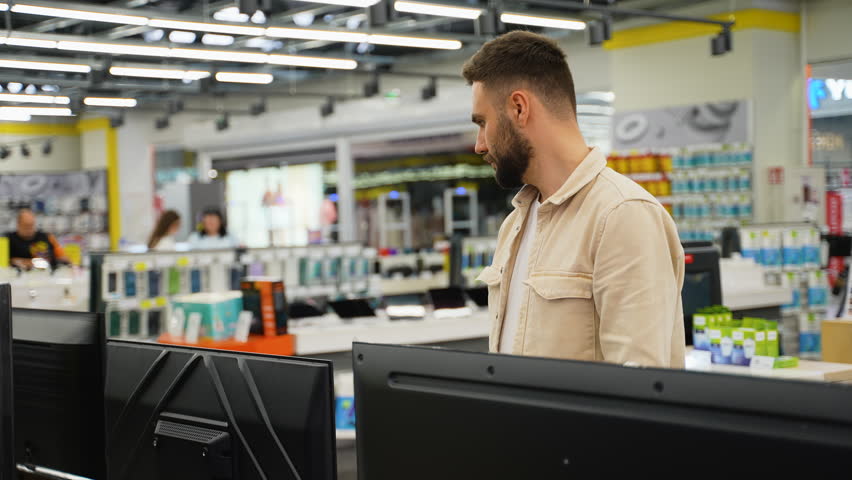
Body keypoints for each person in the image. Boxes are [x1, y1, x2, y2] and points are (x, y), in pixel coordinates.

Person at [465, 31, 685, 368]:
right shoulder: (515, 225)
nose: (480, 145)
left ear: (519, 108)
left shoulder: (621, 216)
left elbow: (641, 388)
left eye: (483, 123)